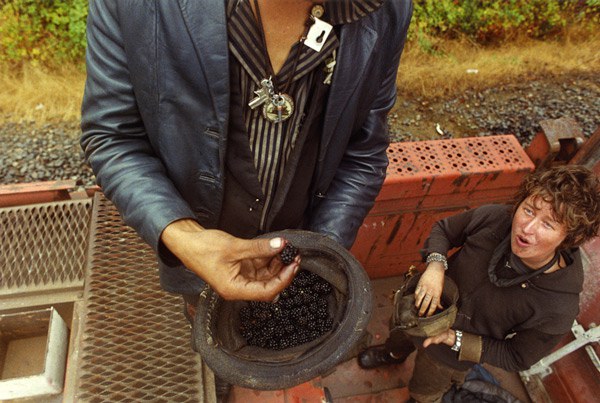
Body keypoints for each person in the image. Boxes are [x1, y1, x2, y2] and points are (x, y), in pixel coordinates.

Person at [81, 0, 413, 305]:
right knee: (208, 329)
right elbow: (114, 137)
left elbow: (363, 150)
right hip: (198, 263)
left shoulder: (387, 11)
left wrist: (321, 251)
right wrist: (185, 237)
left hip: (301, 250)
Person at [357, 165, 600, 402]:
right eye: (528, 210)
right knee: (398, 334)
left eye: (548, 224)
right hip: (416, 308)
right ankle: (393, 353)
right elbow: (444, 230)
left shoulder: (558, 308)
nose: (526, 228)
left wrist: (455, 339)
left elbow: (516, 357)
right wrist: (436, 264)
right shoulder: (496, 217)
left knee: (425, 391)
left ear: (570, 238)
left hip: (449, 357)